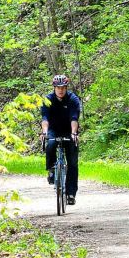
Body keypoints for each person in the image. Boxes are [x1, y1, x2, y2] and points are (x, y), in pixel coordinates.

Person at [40, 74, 82, 205]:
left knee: (73, 163)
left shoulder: (73, 99)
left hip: (69, 130)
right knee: (51, 144)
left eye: (63, 87)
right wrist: (45, 132)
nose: (60, 90)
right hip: (53, 129)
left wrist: (74, 133)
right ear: (54, 88)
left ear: (66, 87)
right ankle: (52, 169)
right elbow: (45, 118)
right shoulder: (48, 99)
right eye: (58, 87)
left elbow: (74, 118)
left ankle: (70, 193)